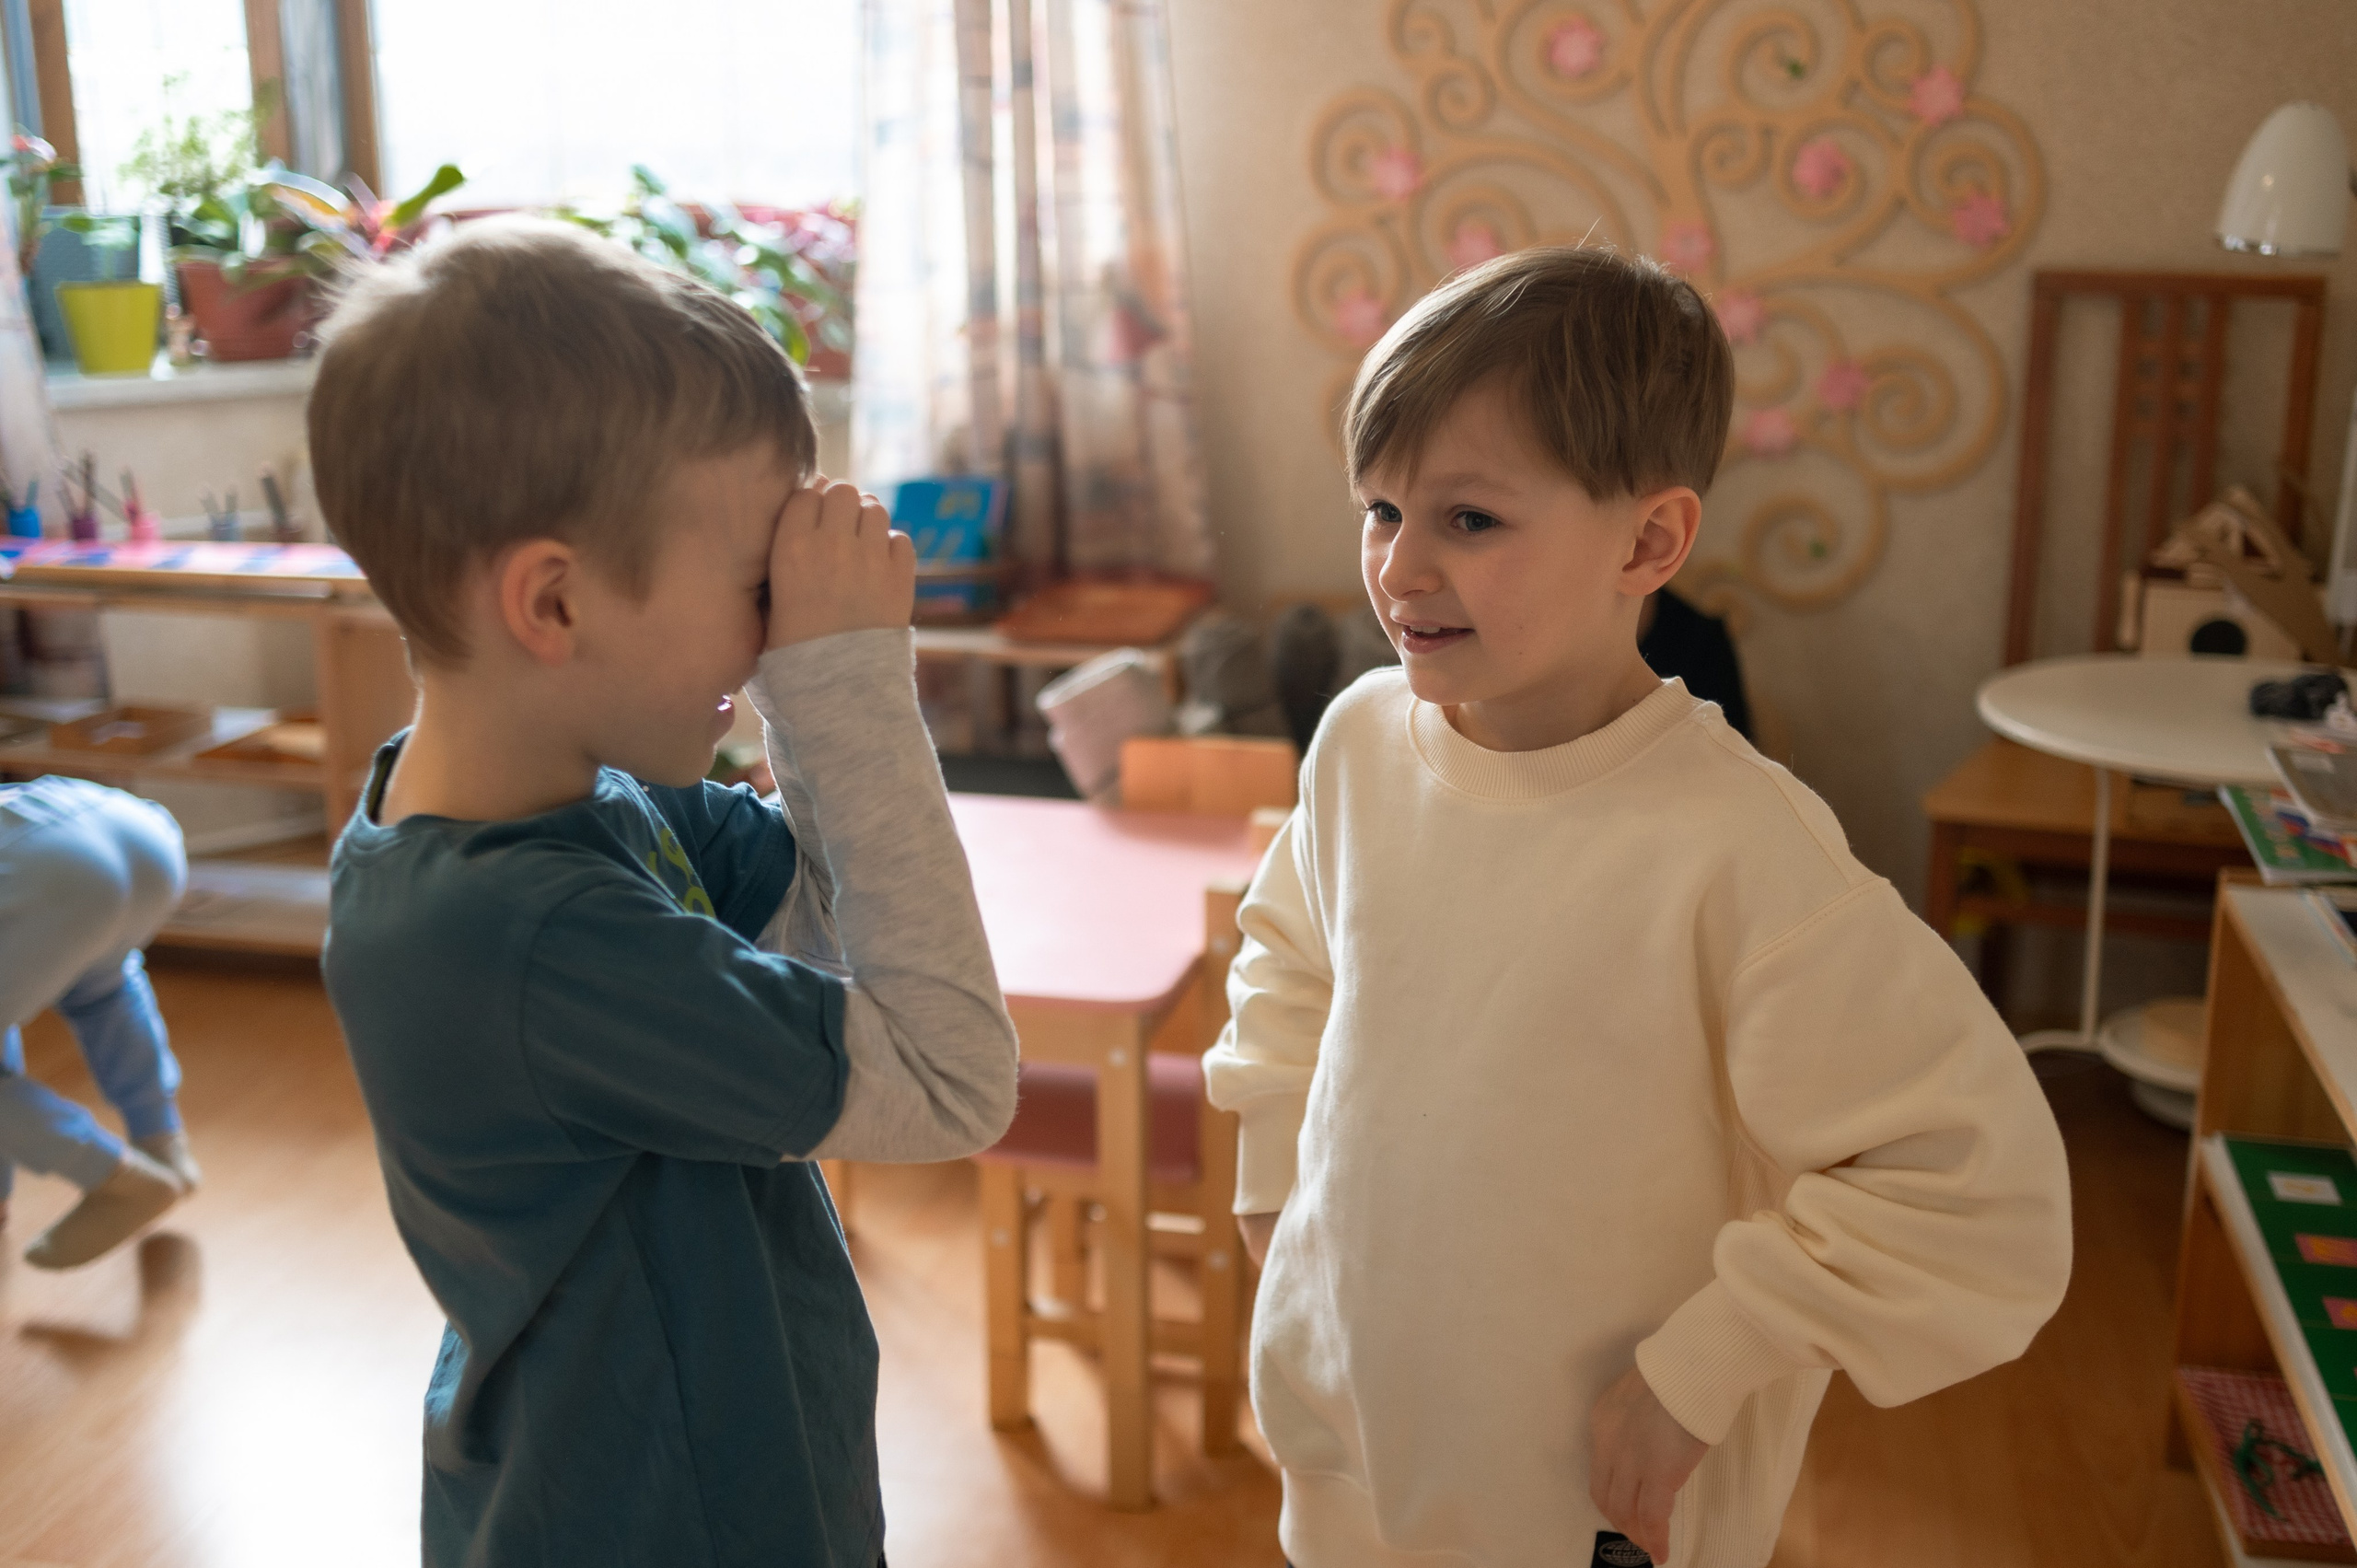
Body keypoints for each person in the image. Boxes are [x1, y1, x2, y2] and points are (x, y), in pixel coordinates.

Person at [1202, 246, 2072, 1568]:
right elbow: (1294, 958)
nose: (1401, 568)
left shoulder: (1741, 852)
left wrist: (1703, 1368)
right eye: (1382, 510)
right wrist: (1275, 1187)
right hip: (1355, 1457)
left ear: (1651, 539)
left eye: (1469, 519)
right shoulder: (1359, 742)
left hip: (1587, 1499)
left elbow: (1978, 1186)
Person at [311, 218, 1018, 1568]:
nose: (774, 630)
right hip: (665, 1518)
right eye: (757, 585)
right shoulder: (528, 936)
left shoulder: (565, 813)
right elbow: (952, 1077)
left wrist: (817, 668)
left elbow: (831, 910)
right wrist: (847, 678)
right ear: (555, 605)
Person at [0, 774, 199, 1269]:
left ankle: (116, 1182)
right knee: (102, 989)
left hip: (50, 872)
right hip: (137, 829)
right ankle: (162, 1142)